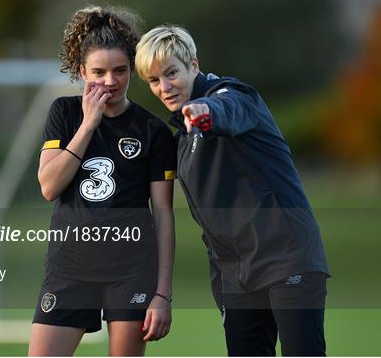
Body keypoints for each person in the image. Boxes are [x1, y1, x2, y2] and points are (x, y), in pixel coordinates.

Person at [135, 25, 330, 356]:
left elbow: (229, 111)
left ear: (193, 65)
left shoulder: (233, 96)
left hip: (287, 259)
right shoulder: (180, 139)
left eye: (171, 73)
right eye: (154, 80)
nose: (164, 87)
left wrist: (204, 113)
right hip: (238, 277)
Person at [28, 7, 176, 357]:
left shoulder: (153, 131)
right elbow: (49, 187)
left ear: (132, 71)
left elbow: (164, 214)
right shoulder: (64, 114)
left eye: (120, 71)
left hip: (130, 272)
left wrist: (163, 294)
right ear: (81, 72)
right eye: (98, 72)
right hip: (69, 268)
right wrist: (88, 125)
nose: (110, 81)